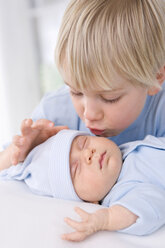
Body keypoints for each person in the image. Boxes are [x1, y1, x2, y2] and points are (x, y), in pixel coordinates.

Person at [0, 0, 165, 166]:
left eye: (109, 98)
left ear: (155, 78)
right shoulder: (55, 113)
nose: (89, 115)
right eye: (75, 92)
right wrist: (23, 153)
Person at [1, 129, 165, 242]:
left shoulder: (126, 149)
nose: (88, 154)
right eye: (76, 168)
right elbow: (150, 208)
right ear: (88, 201)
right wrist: (106, 219)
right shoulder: (124, 192)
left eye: (84, 143)